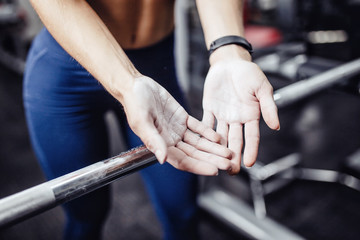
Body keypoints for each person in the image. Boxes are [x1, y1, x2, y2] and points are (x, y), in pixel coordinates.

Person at [23, 0, 280, 239]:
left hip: (156, 70)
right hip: (67, 71)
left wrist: (229, 52)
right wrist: (127, 83)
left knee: (182, 207)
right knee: (86, 216)